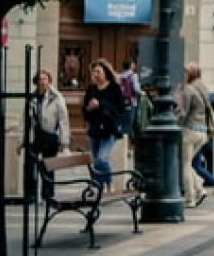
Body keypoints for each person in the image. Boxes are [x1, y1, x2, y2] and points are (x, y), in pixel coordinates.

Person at [20, 70, 72, 201]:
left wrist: (64, 143)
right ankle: (30, 195)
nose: (42, 82)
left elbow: (63, 120)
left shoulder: (56, 97)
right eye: (40, 79)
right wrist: (20, 141)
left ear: (49, 81)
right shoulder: (31, 97)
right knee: (30, 165)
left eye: (45, 79)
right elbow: (23, 120)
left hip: (50, 135)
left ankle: (47, 194)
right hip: (34, 136)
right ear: (36, 82)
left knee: (48, 166)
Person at [82, 59, 125, 191]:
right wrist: (89, 108)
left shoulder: (114, 88)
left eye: (98, 72)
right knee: (95, 161)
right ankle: (98, 186)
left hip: (109, 128)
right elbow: (84, 110)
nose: (96, 74)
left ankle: (109, 182)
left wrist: (101, 105)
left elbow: (120, 108)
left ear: (106, 73)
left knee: (101, 158)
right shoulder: (91, 89)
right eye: (94, 72)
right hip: (94, 128)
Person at [174, 62, 211, 208]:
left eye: (185, 72)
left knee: (185, 165)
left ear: (190, 74)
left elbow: (183, 113)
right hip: (202, 131)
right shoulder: (202, 88)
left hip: (190, 131)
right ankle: (199, 188)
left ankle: (190, 198)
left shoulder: (188, 89)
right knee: (188, 164)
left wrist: (174, 120)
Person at [117, 58, 141, 136]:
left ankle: (121, 136)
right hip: (131, 101)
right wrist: (142, 92)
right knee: (130, 120)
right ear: (131, 66)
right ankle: (128, 139)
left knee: (122, 119)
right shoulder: (133, 75)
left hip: (121, 101)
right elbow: (136, 89)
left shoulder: (120, 76)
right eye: (133, 64)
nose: (134, 65)